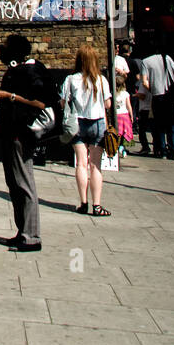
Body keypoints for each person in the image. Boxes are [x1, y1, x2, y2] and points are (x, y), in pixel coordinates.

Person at [0, 34, 53, 252]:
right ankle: (22, 231)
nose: (1, 50)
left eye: (4, 47)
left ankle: (32, 236)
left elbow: (40, 103)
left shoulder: (32, 72)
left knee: (24, 183)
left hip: (21, 134)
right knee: (14, 184)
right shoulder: (17, 70)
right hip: (9, 132)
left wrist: (10, 96)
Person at [60, 43, 112, 216]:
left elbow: (63, 102)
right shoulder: (102, 80)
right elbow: (108, 104)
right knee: (95, 165)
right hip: (98, 123)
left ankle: (83, 203)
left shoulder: (70, 79)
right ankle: (97, 205)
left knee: (81, 163)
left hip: (77, 123)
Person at [140, 42, 174, 159]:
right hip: (170, 95)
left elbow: (144, 81)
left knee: (159, 125)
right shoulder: (167, 57)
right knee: (171, 125)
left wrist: (153, 89)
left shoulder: (145, 61)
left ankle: (162, 151)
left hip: (157, 96)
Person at [115, 72, 133, 162]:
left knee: (117, 134)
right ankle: (123, 148)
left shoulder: (113, 94)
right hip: (125, 115)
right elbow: (128, 105)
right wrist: (131, 115)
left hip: (116, 116)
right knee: (124, 135)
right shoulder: (126, 94)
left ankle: (117, 148)